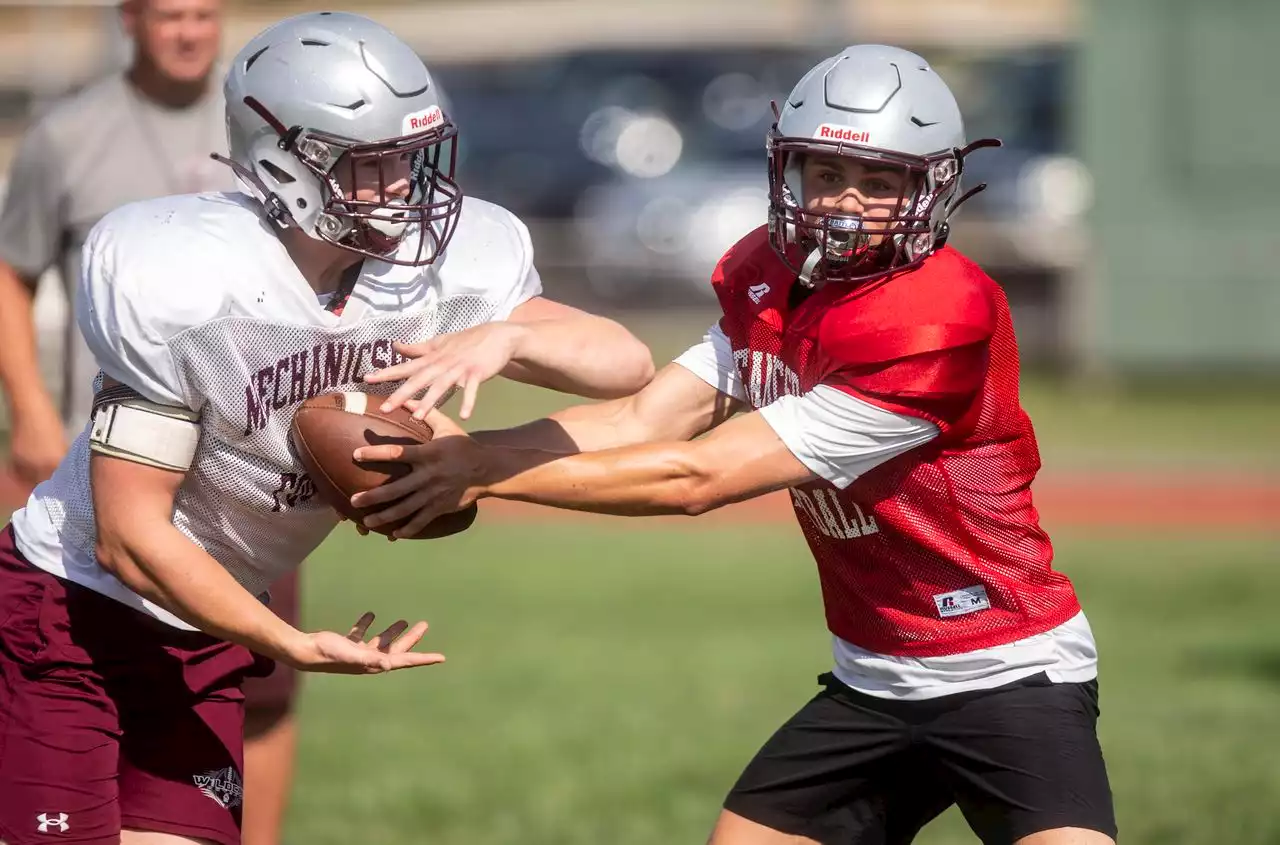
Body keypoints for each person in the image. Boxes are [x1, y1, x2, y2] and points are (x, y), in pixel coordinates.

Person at [350, 45, 1117, 845]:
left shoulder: (934, 320)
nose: (845, 203)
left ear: (930, 189)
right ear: (790, 173)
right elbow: (646, 421)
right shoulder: (772, 278)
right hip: (872, 676)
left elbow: (696, 477)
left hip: (1006, 667)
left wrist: (483, 474)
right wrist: (470, 453)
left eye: (879, 182)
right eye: (825, 175)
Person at [0, 12, 653, 845]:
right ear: (284, 162)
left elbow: (625, 362)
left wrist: (512, 334)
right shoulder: (185, 279)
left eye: (411, 160)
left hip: (203, 630)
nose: (406, 188)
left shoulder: (439, 270)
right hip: (72, 615)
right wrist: (287, 640)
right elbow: (128, 539)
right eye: (374, 164)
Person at [0, 3, 302, 843]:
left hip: (241, 478)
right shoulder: (71, 134)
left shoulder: (263, 129)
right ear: (129, 20)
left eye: (205, 14)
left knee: (263, 686)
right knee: (76, 665)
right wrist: (27, 409)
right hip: (96, 455)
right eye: (170, 14)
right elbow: (10, 273)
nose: (190, 32)